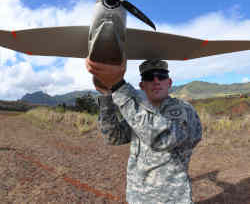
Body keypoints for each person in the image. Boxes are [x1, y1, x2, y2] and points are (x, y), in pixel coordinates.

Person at [86, 58, 202, 204]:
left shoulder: (182, 110)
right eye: (149, 77)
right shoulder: (141, 113)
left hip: (170, 198)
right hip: (138, 197)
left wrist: (118, 86)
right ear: (142, 85)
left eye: (161, 76)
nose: (156, 80)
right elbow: (114, 137)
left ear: (169, 82)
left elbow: (162, 140)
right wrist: (107, 96)